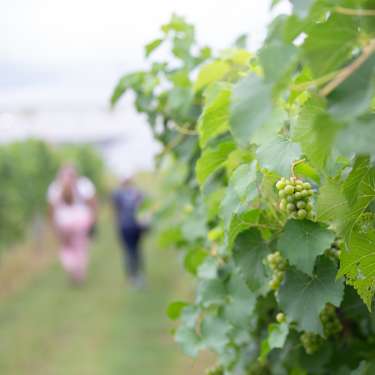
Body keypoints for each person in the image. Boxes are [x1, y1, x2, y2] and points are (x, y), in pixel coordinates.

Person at [47, 165, 97, 284]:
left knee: (67, 247)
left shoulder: (55, 188)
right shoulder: (83, 185)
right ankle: (79, 272)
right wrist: (93, 220)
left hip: (64, 224)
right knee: (80, 248)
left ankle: (73, 268)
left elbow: (51, 209)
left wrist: (53, 226)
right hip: (80, 222)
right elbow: (92, 203)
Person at [112, 177, 146, 287]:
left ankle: (133, 276)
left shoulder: (117, 194)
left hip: (127, 226)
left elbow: (116, 211)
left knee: (129, 251)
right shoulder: (137, 192)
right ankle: (136, 275)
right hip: (135, 226)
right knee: (135, 251)